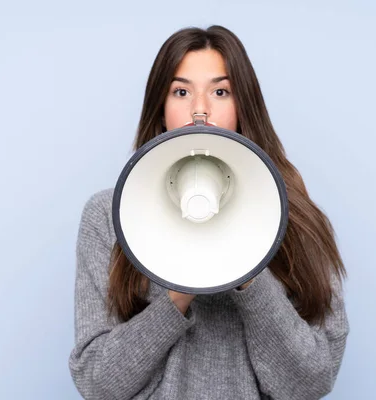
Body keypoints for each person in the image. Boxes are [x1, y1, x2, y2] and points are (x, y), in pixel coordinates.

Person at [68, 25, 349, 400]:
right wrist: (176, 294)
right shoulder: (108, 215)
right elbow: (98, 384)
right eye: (181, 92)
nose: (200, 109)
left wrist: (247, 270)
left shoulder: (295, 218)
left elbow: (310, 384)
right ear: (161, 108)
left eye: (221, 91)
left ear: (243, 105)